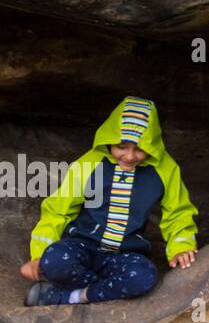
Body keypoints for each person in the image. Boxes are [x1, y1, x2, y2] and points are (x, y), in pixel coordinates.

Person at [20, 96, 199, 305]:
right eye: (122, 146)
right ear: (109, 139)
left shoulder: (165, 170)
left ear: (153, 146)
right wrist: (38, 256)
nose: (129, 156)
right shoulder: (90, 163)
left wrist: (181, 245)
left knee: (143, 277)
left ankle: (71, 296)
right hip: (82, 246)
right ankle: (106, 288)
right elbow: (58, 210)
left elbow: (177, 211)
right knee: (54, 259)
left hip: (124, 254)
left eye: (140, 149)